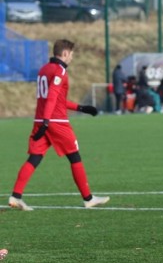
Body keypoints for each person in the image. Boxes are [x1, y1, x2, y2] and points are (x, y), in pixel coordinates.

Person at [7, 39, 110, 211]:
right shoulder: (60, 70)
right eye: (71, 54)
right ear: (65, 54)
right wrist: (48, 121)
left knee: (35, 158)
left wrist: (81, 108)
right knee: (74, 157)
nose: (72, 58)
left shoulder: (44, 69)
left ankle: (15, 196)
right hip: (55, 122)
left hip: (40, 120)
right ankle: (88, 199)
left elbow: (55, 99)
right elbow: (53, 97)